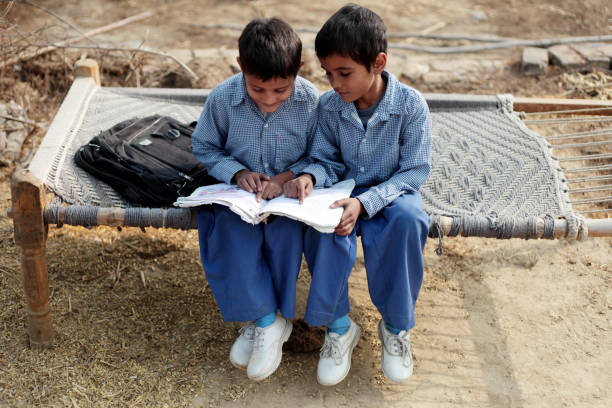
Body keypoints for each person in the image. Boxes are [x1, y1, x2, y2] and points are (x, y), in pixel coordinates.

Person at [284, 4, 432, 386]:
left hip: (391, 194)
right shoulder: (329, 107)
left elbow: (414, 171)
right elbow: (324, 159)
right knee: (323, 227)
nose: (335, 83)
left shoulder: (411, 106)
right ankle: (338, 327)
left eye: (344, 73)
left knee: (410, 220)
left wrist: (366, 202)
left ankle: (396, 328)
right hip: (342, 192)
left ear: (378, 62)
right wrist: (310, 177)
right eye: (328, 73)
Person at [192, 17, 319, 381]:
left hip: (288, 198)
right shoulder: (222, 99)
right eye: (258, 89)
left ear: (298, 70)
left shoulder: (311, 102)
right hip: (239, 196)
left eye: (281, 90)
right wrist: (236, 172)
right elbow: (203, 146)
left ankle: (268, 316)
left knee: (284, 236)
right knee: (227, 232)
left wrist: (286, 178)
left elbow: (322, 154)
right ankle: (264, 321)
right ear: (241, 66)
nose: (268, 100)